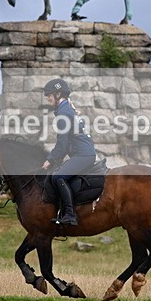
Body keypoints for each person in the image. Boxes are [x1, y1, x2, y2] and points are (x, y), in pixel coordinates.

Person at [41, 78, 96, 226]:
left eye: (49, 95)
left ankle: (70, 215)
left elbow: (62, 144)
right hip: (83, 154)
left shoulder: (63, 113)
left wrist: (50, 159)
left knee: (58, 177)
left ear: (58, 94)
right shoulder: (67, 110)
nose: (47, 98)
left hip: (82, 155)